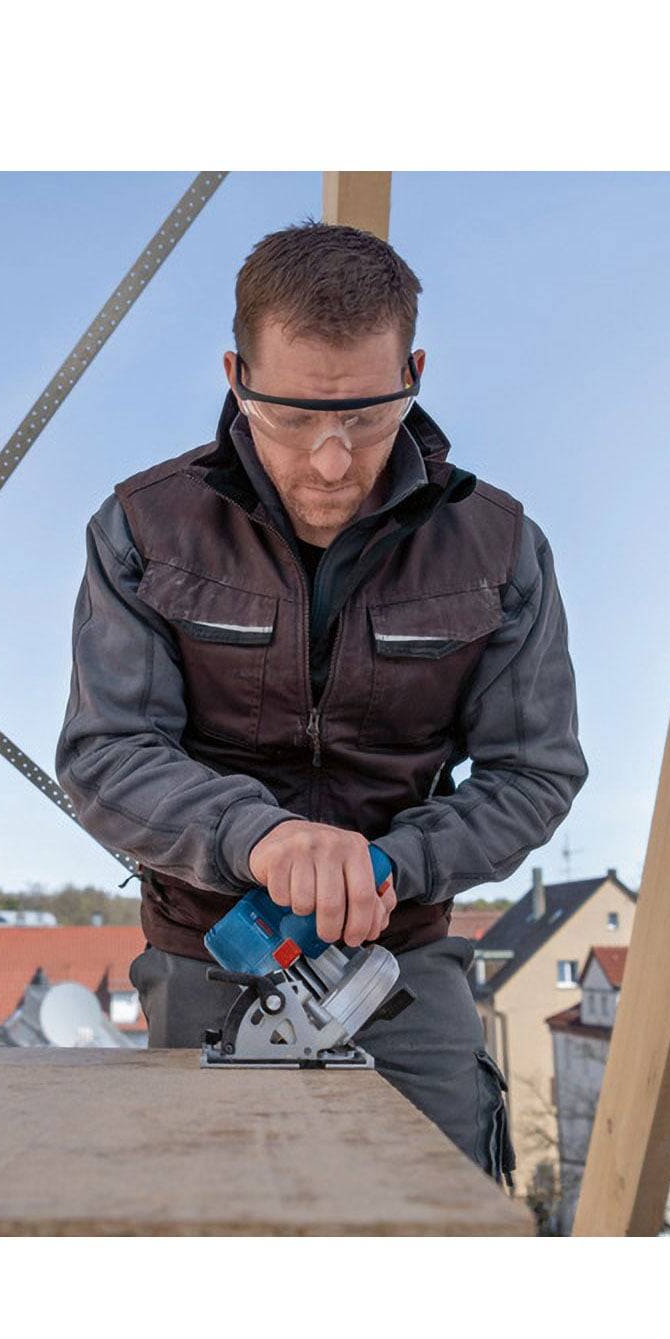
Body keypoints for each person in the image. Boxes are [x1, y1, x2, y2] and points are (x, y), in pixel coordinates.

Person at [55, 220, 587, 1183]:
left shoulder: (501, 548)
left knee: (443, 1214)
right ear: (235, 375)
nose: (332, 462)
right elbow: (106, 755)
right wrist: (264, 839)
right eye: (295, 418)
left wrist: (388, 864)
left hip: (406, 960)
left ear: (416, 370)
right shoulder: (142, 529)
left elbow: (532, 772)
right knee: (213, 1220)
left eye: (369, 418)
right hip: (207, 952)